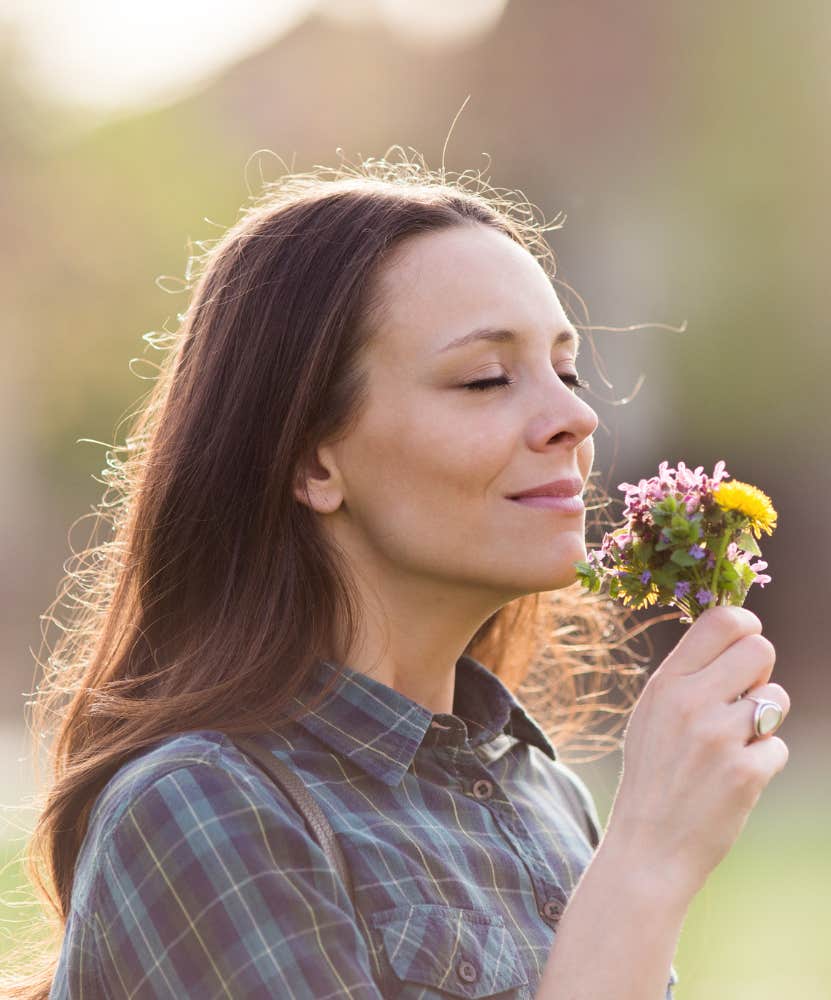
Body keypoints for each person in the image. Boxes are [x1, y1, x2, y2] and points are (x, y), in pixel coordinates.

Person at [5, 151, 789, 1000]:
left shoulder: (545, 801)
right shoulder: (205, 810)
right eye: (486, 378)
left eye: (564, 370)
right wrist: (644, 864)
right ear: (312, 461)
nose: (576, 414)